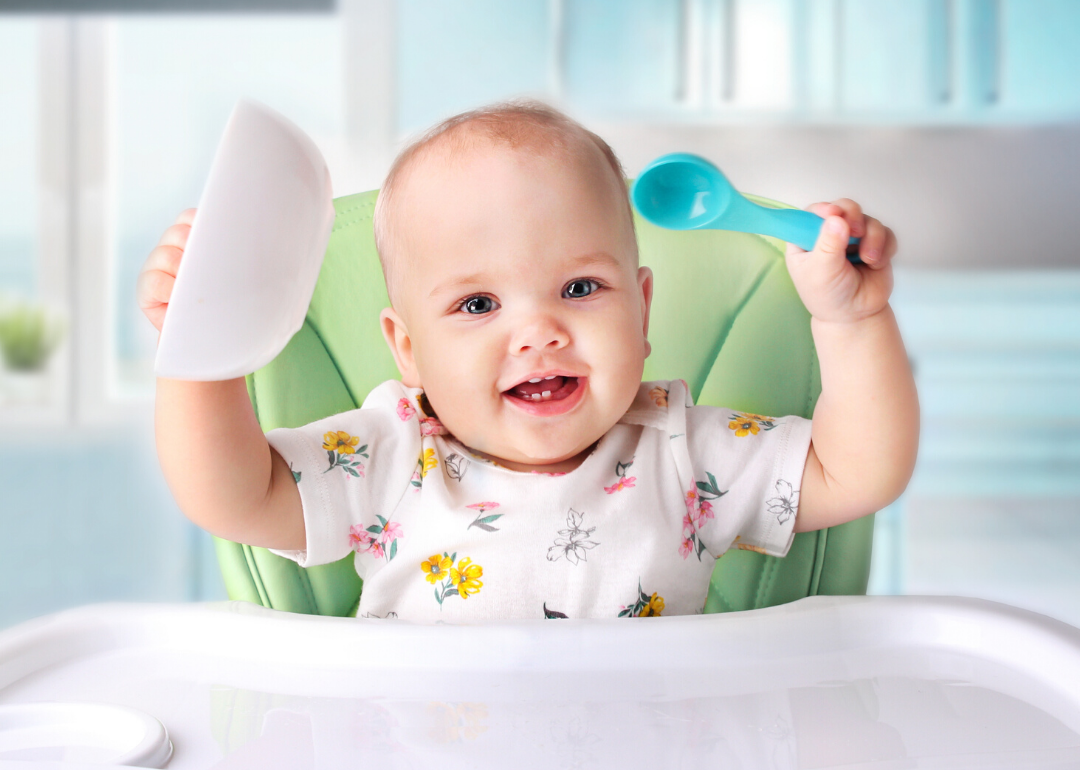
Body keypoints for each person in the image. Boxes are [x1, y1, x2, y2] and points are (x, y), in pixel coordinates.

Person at [138, 101, 918, 621]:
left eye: (580, 287)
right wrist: (203, 349)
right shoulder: (388, 455)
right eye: (478, 306)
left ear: (643, 311)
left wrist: (851, 321)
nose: (539, 332)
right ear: (407, 350)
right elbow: (232, 495)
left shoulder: (682, 451)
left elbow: (856, 472)